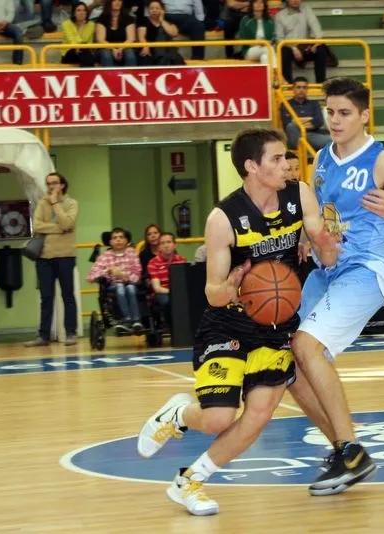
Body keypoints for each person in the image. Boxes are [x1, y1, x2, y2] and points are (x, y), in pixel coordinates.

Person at [135, 128, 340, 516]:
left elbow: (326, 257)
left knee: (260, 412)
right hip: (227, 322)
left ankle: (189, 481)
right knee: (216, 419)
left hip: (277, 325)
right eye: (277, 159)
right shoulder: (223, 218)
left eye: (286, 159)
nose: (287, 166)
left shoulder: (299, 195)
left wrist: (326, 245)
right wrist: (232, 286)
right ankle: (178, 414)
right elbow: (212, 292)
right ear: (251, 166)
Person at [289, 77, 384, 495]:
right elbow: (319, 213)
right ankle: (345, 450)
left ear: (364, 115)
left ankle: (351, 452)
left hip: (369, 268)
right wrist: (308, 237)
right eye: (329, 111)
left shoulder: (383, 161)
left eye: (344, 113)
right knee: (286, 362)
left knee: (306, 346)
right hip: (328, 268)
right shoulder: (320, 158)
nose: (334, 120)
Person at [26, 173, 80, 347]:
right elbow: (37, 226)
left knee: (67, 296)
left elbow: (67, 224)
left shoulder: (72, 203)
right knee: (46, 297)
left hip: (65, 256)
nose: (51, 187)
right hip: (44, 257)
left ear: (63, 185)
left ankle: (70, 333)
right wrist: (59, 228)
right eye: (48, 184)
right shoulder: (42, 203)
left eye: (55, 183)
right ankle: (43, 336)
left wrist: (56, 203)